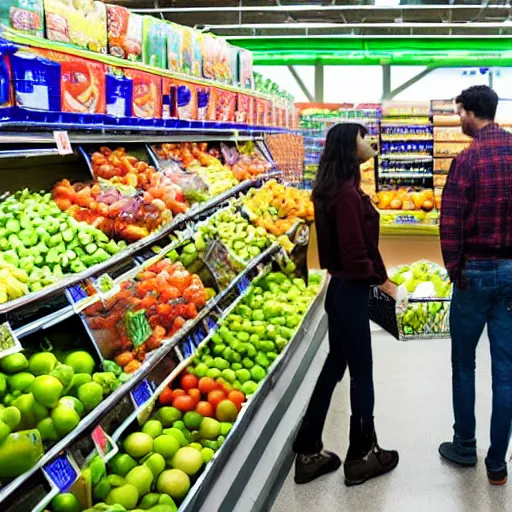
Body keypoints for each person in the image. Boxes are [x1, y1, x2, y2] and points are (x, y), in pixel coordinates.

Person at [292, 123, 399, 486]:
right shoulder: (348, 196)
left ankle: (308, 451)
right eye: (363, 136)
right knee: (362, 373)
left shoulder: (330, 189)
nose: (371, 141)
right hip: (351, 291)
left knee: (334, 367)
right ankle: (362, 456)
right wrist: (382, 280)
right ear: (348, 147)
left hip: (337, 289)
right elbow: (355, 255)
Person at [439, 85, 512, 486]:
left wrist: (455, 272)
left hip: (474, 272)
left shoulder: (466, 160)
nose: (458, 119)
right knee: (506, 371)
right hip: (511, 274)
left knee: (463, 363)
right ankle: (497, 464)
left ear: (470, 113)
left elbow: (449, 223)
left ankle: (465, 445)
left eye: (459, 112)